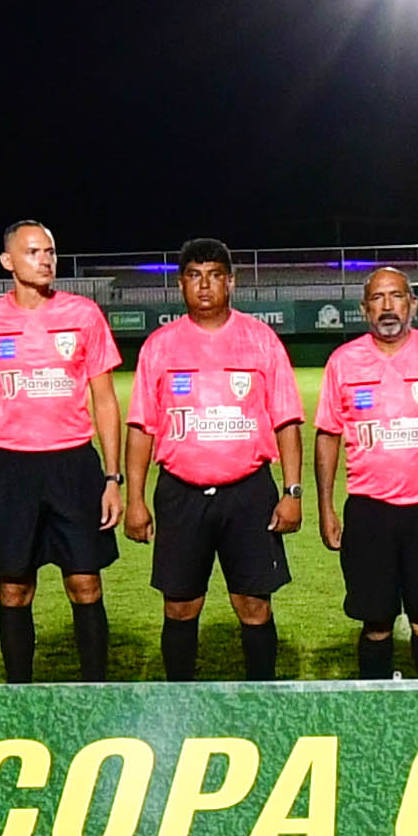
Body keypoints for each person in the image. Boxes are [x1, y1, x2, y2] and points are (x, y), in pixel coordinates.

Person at [0, 217, 125, 681]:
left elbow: (106, 400)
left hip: (74, 465)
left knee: (85, 583)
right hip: (12, 469)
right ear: (7, 261)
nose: (45, 260)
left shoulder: (83, 314)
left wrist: (113, 478)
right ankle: (18, 695)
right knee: (14, 589)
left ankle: (95, 691)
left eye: (49, 251)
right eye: (32, 252)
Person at [123, 238, 305, 681]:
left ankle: (262, 700)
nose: (204, 285)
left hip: (248, 493)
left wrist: (292, 491)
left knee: (254, 604)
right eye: (194, 276)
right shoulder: (160, 346)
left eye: (214, 275)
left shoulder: (260, 340)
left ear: (231, 282)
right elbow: (142, 427)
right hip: (181, 493)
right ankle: (181, 699)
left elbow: (287, 420)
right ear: (181, 284)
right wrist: (135, 499)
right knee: (180, 606)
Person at [314, 265, 418, 678]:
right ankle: (374, 705)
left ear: (413, 305)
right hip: (369, 511)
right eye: (377, 298)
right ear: (364, 309)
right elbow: (328, 436)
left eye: (396, 296)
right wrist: (325, 508)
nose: (387, 306)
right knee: (376, 623)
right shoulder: (343, 363)